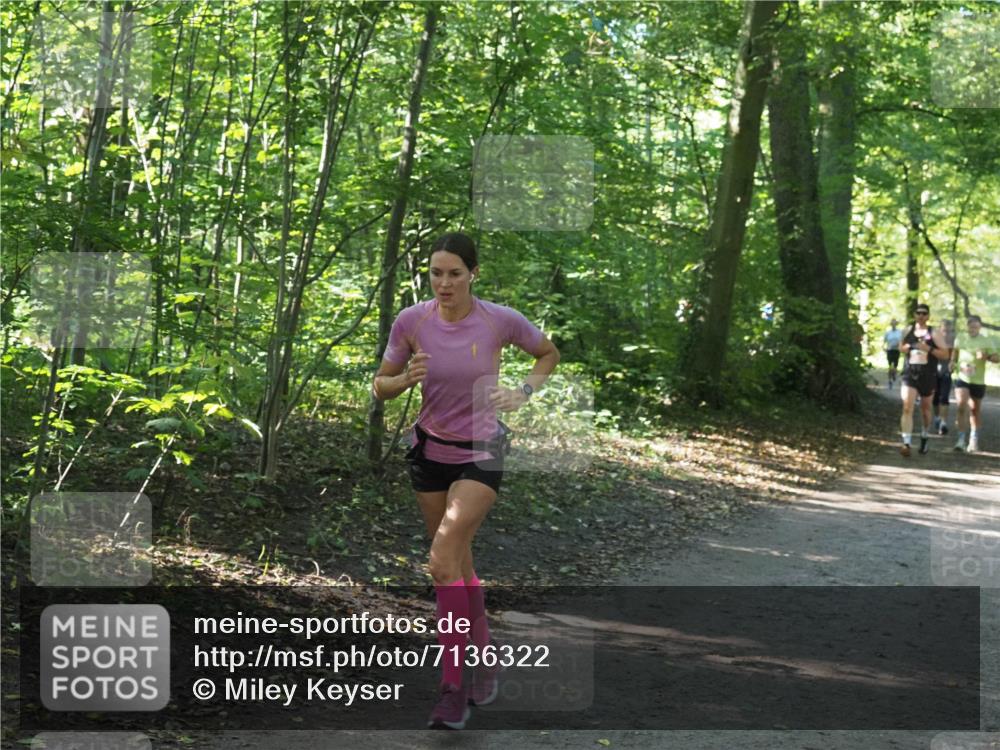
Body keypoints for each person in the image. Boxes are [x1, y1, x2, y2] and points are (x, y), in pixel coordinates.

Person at [372, 232, 560, 729]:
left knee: (440, 561)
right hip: (430, 452)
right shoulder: (413, 321)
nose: (444, 282)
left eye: (455, 272)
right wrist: (403, 381)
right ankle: (484, 659)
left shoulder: (499, 319)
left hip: (481, 452)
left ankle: (452, 687)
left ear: (473, 273)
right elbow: (381, 385)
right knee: (457, 563)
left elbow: (547, 353)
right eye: (436, 273)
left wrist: (523, 391)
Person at [898, 303, 950, 457]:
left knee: (925, 410)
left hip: (928, 375)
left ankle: (924, 434)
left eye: (924, 313)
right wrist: (906, 348)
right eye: (918, 313)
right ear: (914, 315)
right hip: (910, 373)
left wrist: (929, 349)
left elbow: (945, 354)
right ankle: (906, 442)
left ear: (928, 316)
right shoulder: (908, 330)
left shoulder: (934, 332)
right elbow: (900, 347)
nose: (921, 316)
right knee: (907, 407)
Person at [951, 315, 999, 453]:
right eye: (971, 326)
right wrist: (952, 362)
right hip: (962, 378)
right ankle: (960, 439)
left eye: (976, 327)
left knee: (974, 410)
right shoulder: (961, 338)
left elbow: (997, 358)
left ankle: (973, 439)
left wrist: (986, 357)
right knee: (961, 405)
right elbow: (955, 351)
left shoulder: (986, 341)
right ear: (967, 326)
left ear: (980, 327)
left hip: (978, 380)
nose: (973, 329)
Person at [932, 319, 956, 434]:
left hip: (946, 372)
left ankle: (943, 423)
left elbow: (956, 356)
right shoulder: (934, 340)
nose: (946, 332)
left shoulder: (954, 341)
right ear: (940, 329)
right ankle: (937, 418)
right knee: (935, 398)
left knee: (944, 397)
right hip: (934, 372)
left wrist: (953, 364)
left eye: (948, 330)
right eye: (944, 330)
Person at [883, 319, 902, 388]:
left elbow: (902, 341)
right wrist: (884, 348)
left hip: (897, 350)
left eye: (895, 324)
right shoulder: (888, 332)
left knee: (895, 365)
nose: (893, 325)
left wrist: (901, 347)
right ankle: (890, 379)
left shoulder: (899, 332)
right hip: (890, 350)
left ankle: (894, 374)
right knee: (890, 365)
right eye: (892, 324)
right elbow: (884, 341)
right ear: (891, 325)